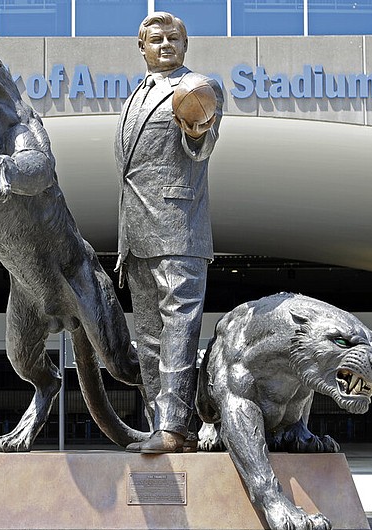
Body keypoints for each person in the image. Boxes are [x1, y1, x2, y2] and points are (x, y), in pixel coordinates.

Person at [115, 12, 223, 453]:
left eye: (173, 38)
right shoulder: (135, 95)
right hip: (136, 233)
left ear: (185, 44)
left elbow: (200, 145)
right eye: (155, 39)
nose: (164, 45)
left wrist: (197, 129)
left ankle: (174, 427)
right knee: (148, 338)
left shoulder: (197, 87)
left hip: (179, 227)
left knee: (179, 326)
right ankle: (162, 425)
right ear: (141, 47)